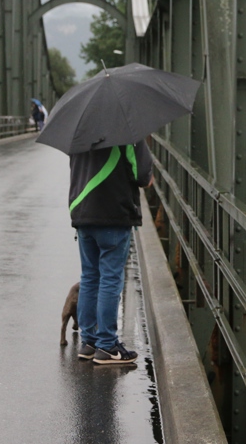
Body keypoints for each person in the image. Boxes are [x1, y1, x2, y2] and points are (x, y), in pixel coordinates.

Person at [68, 138, 154, 365]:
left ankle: (89, 343)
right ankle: (106, 345)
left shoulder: (78, 132)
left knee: (89, 277)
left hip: (83, 213)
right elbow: (143, 177)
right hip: (113, 214)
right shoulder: (128, 134)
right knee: (110, 279)